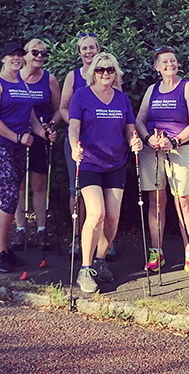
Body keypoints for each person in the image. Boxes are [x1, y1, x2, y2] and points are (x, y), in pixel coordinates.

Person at [68, 51, 142, 294]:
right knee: (96, 212)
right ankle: (85, 269)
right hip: (89, 162)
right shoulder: (82, 95)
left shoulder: (121, 99)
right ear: (93, 73)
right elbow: (73, 126)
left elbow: (130, 127)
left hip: (116, 163)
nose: (105, 74)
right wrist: (73, 146)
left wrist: (135, 141)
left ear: (115, 72)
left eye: (110, 69)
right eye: (100, 70)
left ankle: (100, 260)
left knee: (112, 218)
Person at [0, 41, 56, 273]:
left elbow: (32, 119)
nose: (16, 59)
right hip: (0, 144)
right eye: (11, 56)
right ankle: (0, 252)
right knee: (10, 194)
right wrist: (17, 138)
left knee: (13, 196)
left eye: (18, 55)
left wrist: (46, 134)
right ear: (3, 59)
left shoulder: (23, 85)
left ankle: (6, 250)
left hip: (18, 146)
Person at [135, 45, 189, 278]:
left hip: (180, 149)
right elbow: (139, 121)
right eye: (164, 62)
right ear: (156, 67)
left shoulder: (188, 87)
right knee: (156, 200)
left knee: (183, 201)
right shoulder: (152, 90)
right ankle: (157, 252)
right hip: (152, 150)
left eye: (173, 61)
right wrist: (147, 138)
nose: (169, 65)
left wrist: (174, 142)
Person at [60, 32, 117, 259]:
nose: (88, 51)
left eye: (92, 47)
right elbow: (63, 107)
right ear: (79, 52)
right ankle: (77, 237)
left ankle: (106, 242)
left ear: (98, 49)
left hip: (104, 144)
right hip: (78, 143)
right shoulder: (73, 76)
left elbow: (118, 108)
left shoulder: (108, 73)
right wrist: (77, 123)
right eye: (84, 48)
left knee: (106, 196)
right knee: (77, 191)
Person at [14, 38, 61, 251]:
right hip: (17, 136)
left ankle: (42, 231)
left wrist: (51, 126)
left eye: (44, 53)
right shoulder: (13, 78)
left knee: (39, 185)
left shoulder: (49, 80)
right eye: (35, 52)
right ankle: (20, 230)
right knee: (19, 185)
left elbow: (60, 109)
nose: (40, 57)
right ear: (25, 54)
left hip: (40, 136)